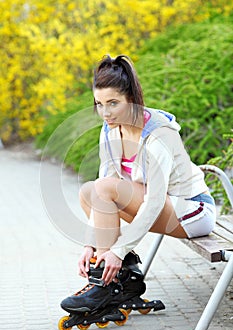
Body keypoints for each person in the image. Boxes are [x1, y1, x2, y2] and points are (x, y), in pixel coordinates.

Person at [60, 54, 216, 315]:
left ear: (130, 98)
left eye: (113, 103)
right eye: (99, 104)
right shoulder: (110, 130)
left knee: (104, 188)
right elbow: (102, 190)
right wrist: (90, 244)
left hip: (193, 210)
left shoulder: (159, 134)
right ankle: (121, 277)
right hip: (164, 207)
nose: (105, 113)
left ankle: (105, 282)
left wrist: (118, 250)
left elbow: (153, 202)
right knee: (89, 191)